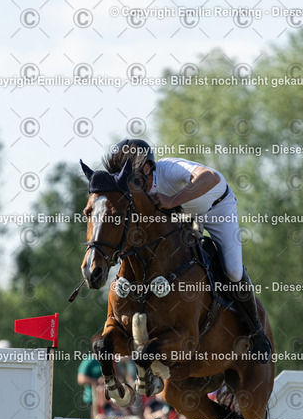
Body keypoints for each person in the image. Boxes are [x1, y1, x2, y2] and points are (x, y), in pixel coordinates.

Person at [111, 139, 272, 362]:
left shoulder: (169, 169)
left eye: (134, 181)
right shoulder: (139, 191)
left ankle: (256, 331)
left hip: (218, 208)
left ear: (147, 169)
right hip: (183, 216)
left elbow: (211, 178)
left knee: (233, 271)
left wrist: (171, 200)